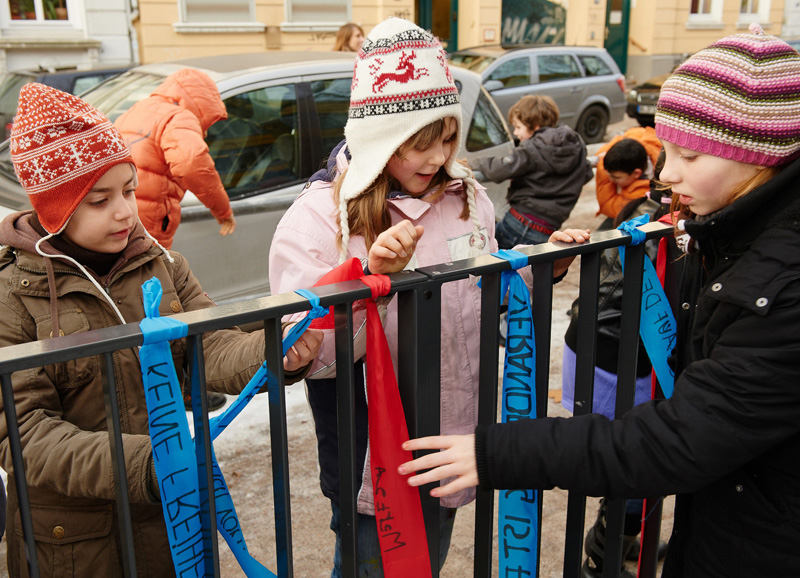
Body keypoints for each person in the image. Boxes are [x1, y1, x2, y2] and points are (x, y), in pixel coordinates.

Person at [399, 26, 800, 578]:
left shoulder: (782, 282)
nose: (668, 174)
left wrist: (503, 453)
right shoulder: (735, 228)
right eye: (667, 147)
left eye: (691, 154)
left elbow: (681, 438)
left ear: (759, 156)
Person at [269, 18, 589, 578]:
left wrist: (544, 267)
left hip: (449, 437)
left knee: (429, 561)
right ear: (377, 138)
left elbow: (486, 297)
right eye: (417, 144)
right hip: (372, 455)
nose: (437, 158)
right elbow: (306, 355)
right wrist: (372, 282)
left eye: (446, 138)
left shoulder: (466, 198)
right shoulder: (320, 218)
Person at [0, 83, 322, 577]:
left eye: (129, 190)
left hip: (170, 524)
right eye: (99, 200)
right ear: (53, 209)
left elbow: (206, 344)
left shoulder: (159, 261)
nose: (127, 212)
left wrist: (271, 351)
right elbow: (26, 436)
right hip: (75, 544)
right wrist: (147, 464)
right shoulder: (12, 294)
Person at [562, 155, 672, 577]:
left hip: (628, 351)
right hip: (611, 353)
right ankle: (600, 557)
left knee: (642, 455)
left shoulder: (651, 208)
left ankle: (622, 540)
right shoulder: (659, 224)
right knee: (632, 458)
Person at [113, 68, 237, 251]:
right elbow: (191, 163)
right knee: (151, 275)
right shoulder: (178, 117)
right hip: (150, 222)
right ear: (202, 100)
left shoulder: (137, 109)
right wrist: (223, 211)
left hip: (122, 213)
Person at [475, 94, 593, 248]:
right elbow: (587, 173)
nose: (516, 133)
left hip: (520, 223)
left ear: (535, 125)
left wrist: (473, 164)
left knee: (488, 259)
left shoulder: (532, 148)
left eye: (518, 127)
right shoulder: (577, 146)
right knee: (529, 270)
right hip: (547, 229)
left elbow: (501, 168)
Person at [594, 126, 661, 223]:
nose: (611, 179)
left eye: (616, 177)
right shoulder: (638, 140)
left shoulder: (644, 191)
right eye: (608, 174)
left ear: (636, 173)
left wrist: (601, 166)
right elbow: (617, 142)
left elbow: (608, 206)